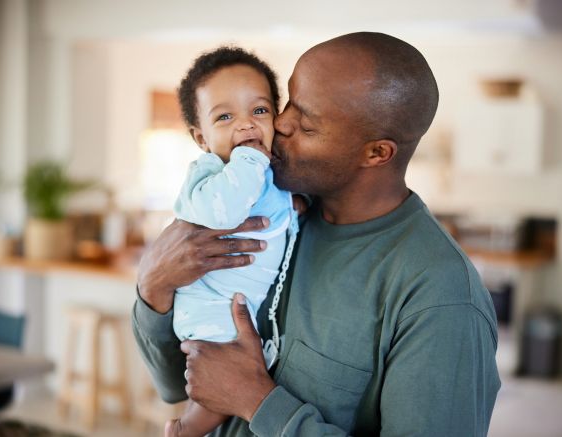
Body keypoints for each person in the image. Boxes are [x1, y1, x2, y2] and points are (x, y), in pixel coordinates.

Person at [133, 32, 501, 436]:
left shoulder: (439, 295)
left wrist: (258, 402)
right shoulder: (273, 212)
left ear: (376, 153)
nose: (278, 123)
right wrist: (154, 284)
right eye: (287, 102)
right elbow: (174, 383)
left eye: (306, 123)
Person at [164, 47, 302, 436]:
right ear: (201, 138)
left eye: (259, 111)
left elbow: (275, 214)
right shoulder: (210, 175)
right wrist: (251, 160)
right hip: (210, 305)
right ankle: (186, 429)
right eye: (225, 117)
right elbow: (222, 213)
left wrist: (294, 206)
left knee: (235, 371)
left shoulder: (268, 176)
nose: (246, 125)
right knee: (220, 384)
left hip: (238, 304)